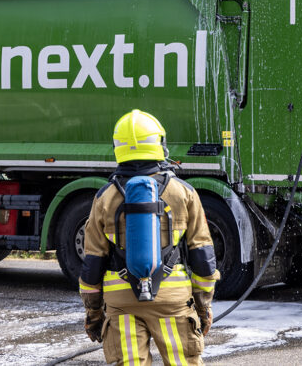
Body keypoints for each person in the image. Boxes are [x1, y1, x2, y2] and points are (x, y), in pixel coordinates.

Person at [78, 110, 219, 365]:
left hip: (121, 304)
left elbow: (92, 265)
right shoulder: (184, 193)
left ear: (117, 147)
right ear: (160, 144)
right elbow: (203, 258)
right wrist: (203, 307)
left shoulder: (103, 198)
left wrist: (94, 314)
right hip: (172, 300)